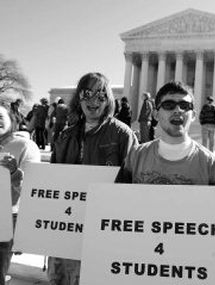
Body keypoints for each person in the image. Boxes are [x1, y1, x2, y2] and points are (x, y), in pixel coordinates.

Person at [47, 72, 138, 285]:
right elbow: (51, 183)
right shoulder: (66, 136)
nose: (93, 100)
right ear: (79, 98)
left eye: (100, 94)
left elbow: (132, 184)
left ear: (109, 99)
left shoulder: (122, 135)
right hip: (67, 229)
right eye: (87, 93)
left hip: (102, 231)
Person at [115, 80, 215, 185]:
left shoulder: (210, 163)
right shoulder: (135, 157)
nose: (178, 110)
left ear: (193, 116)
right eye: (169, 105)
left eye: (184, 106)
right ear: (156, 115)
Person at [0, 101, 41, 285]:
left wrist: (15, 174)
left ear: (11, 119)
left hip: (7, 216)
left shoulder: (25, 146)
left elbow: (34, 188)